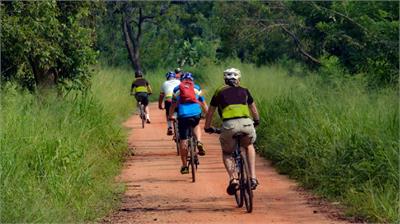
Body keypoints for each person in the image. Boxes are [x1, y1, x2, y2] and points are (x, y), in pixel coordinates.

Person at [204, 68, 260, 195]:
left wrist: (207, 127)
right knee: (249, 145)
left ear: (225, 80)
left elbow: (210, 112)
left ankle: (233, 179)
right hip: (247, 123)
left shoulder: (219, 91)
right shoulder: (245, 90)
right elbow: (253, 109)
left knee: (227, 152)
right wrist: (256, 121)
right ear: (238, 80)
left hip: (229, 125)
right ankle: (253, 178)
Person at [168, 72, 208, 174]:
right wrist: (207, 114)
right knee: (196, 125)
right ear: (192, 80)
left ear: (182, 80)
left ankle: (185, 166)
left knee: (183, 140)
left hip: (183, 115)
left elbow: (173, 105)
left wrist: (170, 116)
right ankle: (199, 141)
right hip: (195, 113)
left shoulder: (177, 89)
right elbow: (203, 103)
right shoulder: (197, 88)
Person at [158, 71, 181, 135]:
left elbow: (161, 95)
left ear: (167, 77)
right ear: (174, 77)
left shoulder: (165, 83)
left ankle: (170, 127)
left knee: (168, 113)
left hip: (169, 100)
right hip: (178, 101)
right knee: (180, 113)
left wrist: (160, 105)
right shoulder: (179, 82)